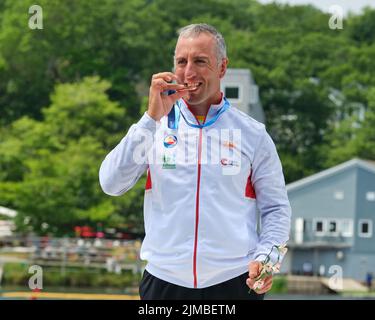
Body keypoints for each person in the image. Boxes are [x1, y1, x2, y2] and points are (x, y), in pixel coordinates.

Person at [99, 23, 291, 300]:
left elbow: (276, 208)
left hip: (234, 282)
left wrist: (267, 259)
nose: (189, 72)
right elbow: (110, 183)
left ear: (222, 68)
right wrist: (150, 119)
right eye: (181, 61)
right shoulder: (154, 128)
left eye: (200, 61)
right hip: (164, 281)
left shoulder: (252, 134)